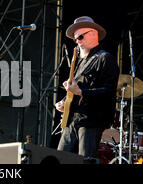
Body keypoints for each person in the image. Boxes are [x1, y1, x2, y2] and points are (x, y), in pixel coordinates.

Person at [54, 16, 119, 162]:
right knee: (59, 158)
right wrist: (65, 102)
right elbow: (78, 87)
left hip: (92, 119)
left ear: (93, 33)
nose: (77, 41)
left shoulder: (105, 58)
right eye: (76, 38)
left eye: (81, 36)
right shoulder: (80, 61)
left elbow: (109, 91)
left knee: (86, 159)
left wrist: (82, 92)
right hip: (73, 119)